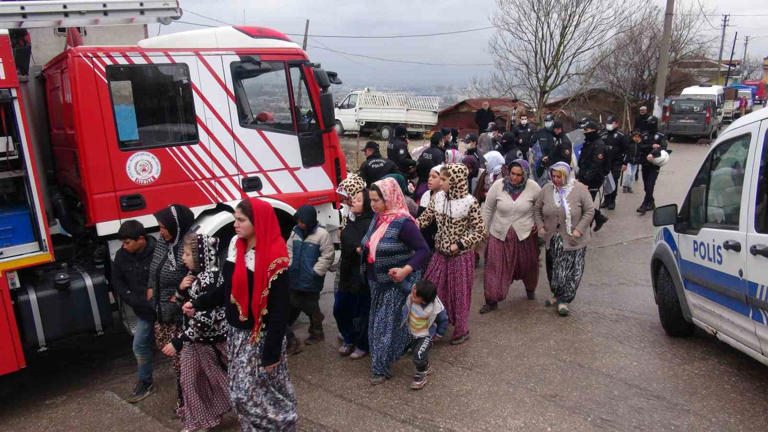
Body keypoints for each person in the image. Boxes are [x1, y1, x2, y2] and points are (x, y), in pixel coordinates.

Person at [184, 198, 297, 431]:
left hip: (261, 337)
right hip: (236, 334)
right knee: (239, 394)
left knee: (256, 396)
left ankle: (283, 424)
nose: (235, 224)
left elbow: (279, 311)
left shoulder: (275, 256)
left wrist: (271, 353)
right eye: (235, 219)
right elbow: (227, 289)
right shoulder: (237, 245)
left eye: (241, 220)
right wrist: (199, 303)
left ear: (258, 222)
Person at [361, 177, 429, 385]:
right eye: (371, 200)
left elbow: (423, 250)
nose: (372, 205)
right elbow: (371, 242)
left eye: (376, 201)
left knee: (383, 327)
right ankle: (389, 357)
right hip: (377, 282)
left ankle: (380, 369)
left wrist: (404, 270)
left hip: (395, 283)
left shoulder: (403, 223)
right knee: (379, 325)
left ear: (389, 198)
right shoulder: (379, 218)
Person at [417, 164, 485, 345]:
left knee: (459, 293)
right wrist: (408, 225)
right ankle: (431, 325)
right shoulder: (438, 197)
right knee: (431, 287)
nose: (441, 182)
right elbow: (424, 219)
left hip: (460, 257)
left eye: (445, 179)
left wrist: (461, 243)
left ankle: (461, 330)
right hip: (439, 253)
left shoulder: (470, 202)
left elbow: (480, 230)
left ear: (455, 181)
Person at [171, 233, 230, 432]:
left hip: (209, 342)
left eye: (187, 254)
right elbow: (180, 305)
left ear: (200, 256)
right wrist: (181, 289)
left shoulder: (211, 279)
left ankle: (246, 407)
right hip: (193, 341)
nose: (183, 258)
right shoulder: (193, 277)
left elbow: (206, 318)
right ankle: (197, 420)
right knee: (188, 379)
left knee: (220, 380)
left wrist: (179, 341)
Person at [480, 159, 542, 312]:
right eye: (512, 174)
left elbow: (539, 208)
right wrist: (482, 230)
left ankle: (530, 289)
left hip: (524, 235)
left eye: (519, 175)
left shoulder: (533, 187)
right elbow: (488, 209)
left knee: (528, 266)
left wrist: (537, 223)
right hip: (499, 233)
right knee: (494, 267)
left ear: (525, 175)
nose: (514, 178)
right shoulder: (498, 185)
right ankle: (491, 300)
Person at [535, 162, 595, 316]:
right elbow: (537, 209)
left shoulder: (579, 189)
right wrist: (541, 225)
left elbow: (589, 211)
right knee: (554, 270)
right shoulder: (547, 189)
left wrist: (578, 230)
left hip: (574, 239)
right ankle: (556, 294)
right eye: (553, 176)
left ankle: (564, 300)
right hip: (553, 238)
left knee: (572, 272)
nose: (555, 180)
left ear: (566, 176)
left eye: (559, 176)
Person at [150, 203, 194, 409]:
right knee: (177, 364)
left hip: (180, 316)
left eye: (164, 227)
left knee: (183, 364)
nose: (161, 231)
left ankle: (188, 403)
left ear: (176, 226)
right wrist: (151, 289)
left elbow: (192, 281)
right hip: (163, 314)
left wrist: (176, 295)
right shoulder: (162, 243)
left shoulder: (188, 248)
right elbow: (155, 271)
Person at [112, 220, 157, 403]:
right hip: (143, 312)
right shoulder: (122, 256)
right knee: (139, 345)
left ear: (140, 239)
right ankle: (146, 381)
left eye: (127, 242)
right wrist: (132, 299)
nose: (124, 246)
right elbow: (118, 282)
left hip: (164, 311)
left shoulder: (158, 252)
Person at [286, 205, 335, 349]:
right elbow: (288, 249)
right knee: (293, 302)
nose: (300, 224)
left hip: (311, 279)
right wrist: (289, 264)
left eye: (302, 221)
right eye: (298, 221)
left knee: (311, 305)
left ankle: (317, 332)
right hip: (295, 276)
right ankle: (289, 333)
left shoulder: (322, 234)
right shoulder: (295, 233)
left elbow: (328, 255)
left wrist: (316, 271)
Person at [335, 189, 374, 359]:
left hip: (361, 276)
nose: (353, 202)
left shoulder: (370, 223)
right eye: (353, 199)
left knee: (361, 312)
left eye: (358, 200)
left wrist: (355, 246)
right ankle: (348, 337)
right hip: (346, 272)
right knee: (340, 308)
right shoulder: (351, 220)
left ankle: (361, 343)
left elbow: (363, 247)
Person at [403, 280, 448, 390]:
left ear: (423, 301)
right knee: (415, 351)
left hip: (426, 335)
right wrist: (397, 278)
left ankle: (420, 376)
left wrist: (439, 334)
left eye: (414, 296)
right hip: (413, 333)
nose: (411, 295)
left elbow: (443, 320)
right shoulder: (416, 292)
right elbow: (405, 286)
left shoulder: (435, 307)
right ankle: (426, 366)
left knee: (418, 355)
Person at [576, 120, 609, 232]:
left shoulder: (599, 144)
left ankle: (586, 229)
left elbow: (596, 165)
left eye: (587, 130)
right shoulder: (588, 142)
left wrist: (586, 182)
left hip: (592, 180)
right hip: (583, 177)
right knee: (583, 204)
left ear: (594, 131)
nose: (585, 132)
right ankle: (598, 217)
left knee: (586, 206)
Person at [637, 115, 667, 214]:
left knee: (650, 184)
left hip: (655, 164)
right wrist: (651, 146)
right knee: (646, 186)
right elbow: (640, 146)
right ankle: (651, 202)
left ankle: (644, 205)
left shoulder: (660, 135)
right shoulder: (644, 134)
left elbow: (663, 147)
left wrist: (653, 153)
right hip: (645, 163)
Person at [600, 115, 628, 210]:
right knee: (605, 182)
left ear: (616, 123)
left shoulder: (621, 136)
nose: (609, 125)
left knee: (613, 182)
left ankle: (612, 201)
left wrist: (625, 163)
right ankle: (606, 200)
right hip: (605, 163)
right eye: (607, 123)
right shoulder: (603, 134)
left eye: (611, 123)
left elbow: (627, 150)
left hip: (616, 163)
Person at [418, 164, 444, 252]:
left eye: (434, 177)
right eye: (429, 176)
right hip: (423, 240)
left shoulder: (446, 198)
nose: (430, 179)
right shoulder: (426, 194)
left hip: (438, 244)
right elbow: (420, 217)